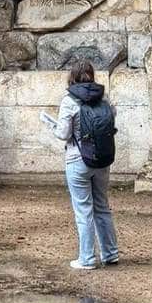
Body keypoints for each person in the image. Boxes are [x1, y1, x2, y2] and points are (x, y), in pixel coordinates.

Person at [48, 58, 120, 270]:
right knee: (102, 207)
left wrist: (51, 126)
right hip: (102, 159)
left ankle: (87, 258)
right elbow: (112, 119)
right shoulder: (103, 97)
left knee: (83, 210)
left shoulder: (69, 100)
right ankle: (110, 253)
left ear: (72, 77)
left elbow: (63, 134)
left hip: (77, 159)